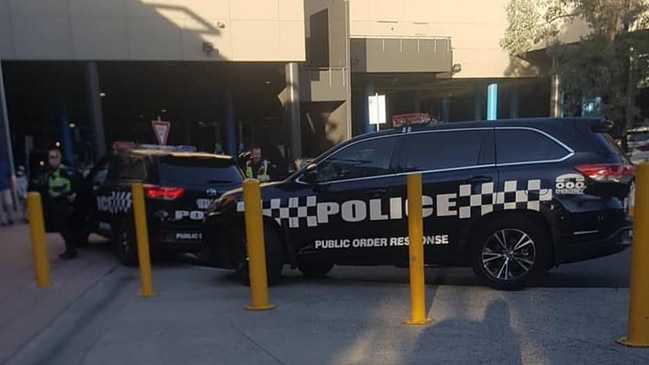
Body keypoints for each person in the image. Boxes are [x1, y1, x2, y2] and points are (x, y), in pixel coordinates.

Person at [31, 148, 82, 259]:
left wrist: (72, 195)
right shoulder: (47, 172)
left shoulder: (65, 171)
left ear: (60, 158)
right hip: (53, 203)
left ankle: (71, 250)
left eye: (55, 157)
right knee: (59, 226)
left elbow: (77, 183)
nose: (53, 160)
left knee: (63, 226)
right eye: (51, 157)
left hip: (63, 202)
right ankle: (70, 248)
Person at [0, 160, 14, 226]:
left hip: (5, 186)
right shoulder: (4, 165)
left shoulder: (4, 165)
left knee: (9, 203)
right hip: (5, 186)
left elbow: (10, 175)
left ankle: (10, 218)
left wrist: (12, 185)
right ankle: (3, 221)